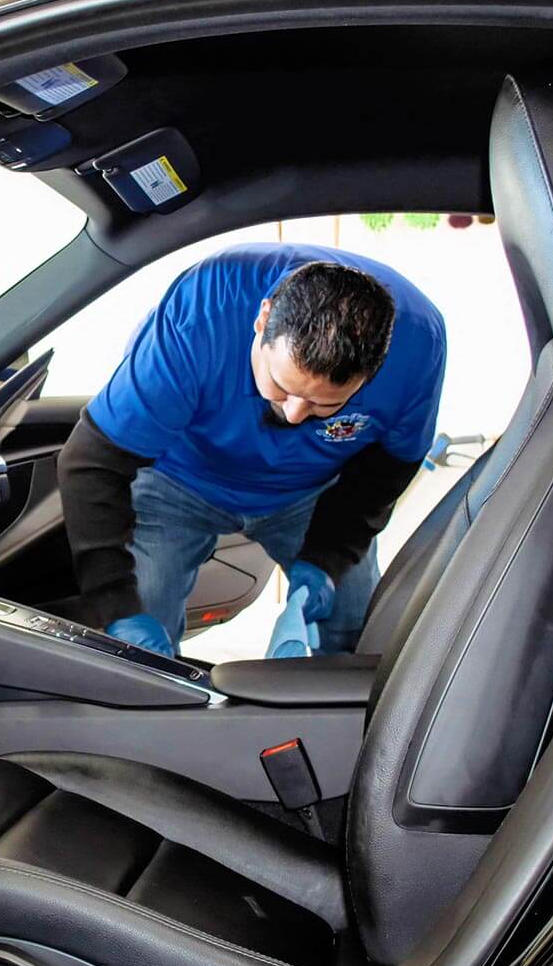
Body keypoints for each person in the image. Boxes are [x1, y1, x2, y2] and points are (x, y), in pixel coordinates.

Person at [57, 242, 446, 657]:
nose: (295, 414)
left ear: (375, 371)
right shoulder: (202, 317)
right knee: (139, 633)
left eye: (324, 405)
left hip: (309, 492)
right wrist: (115, 603)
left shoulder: (418, 347)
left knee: (356, 621)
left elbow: (386, 471)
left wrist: (330, 555)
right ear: (262, 320)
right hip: (178, 478)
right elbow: (92, 461)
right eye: (282, 386)